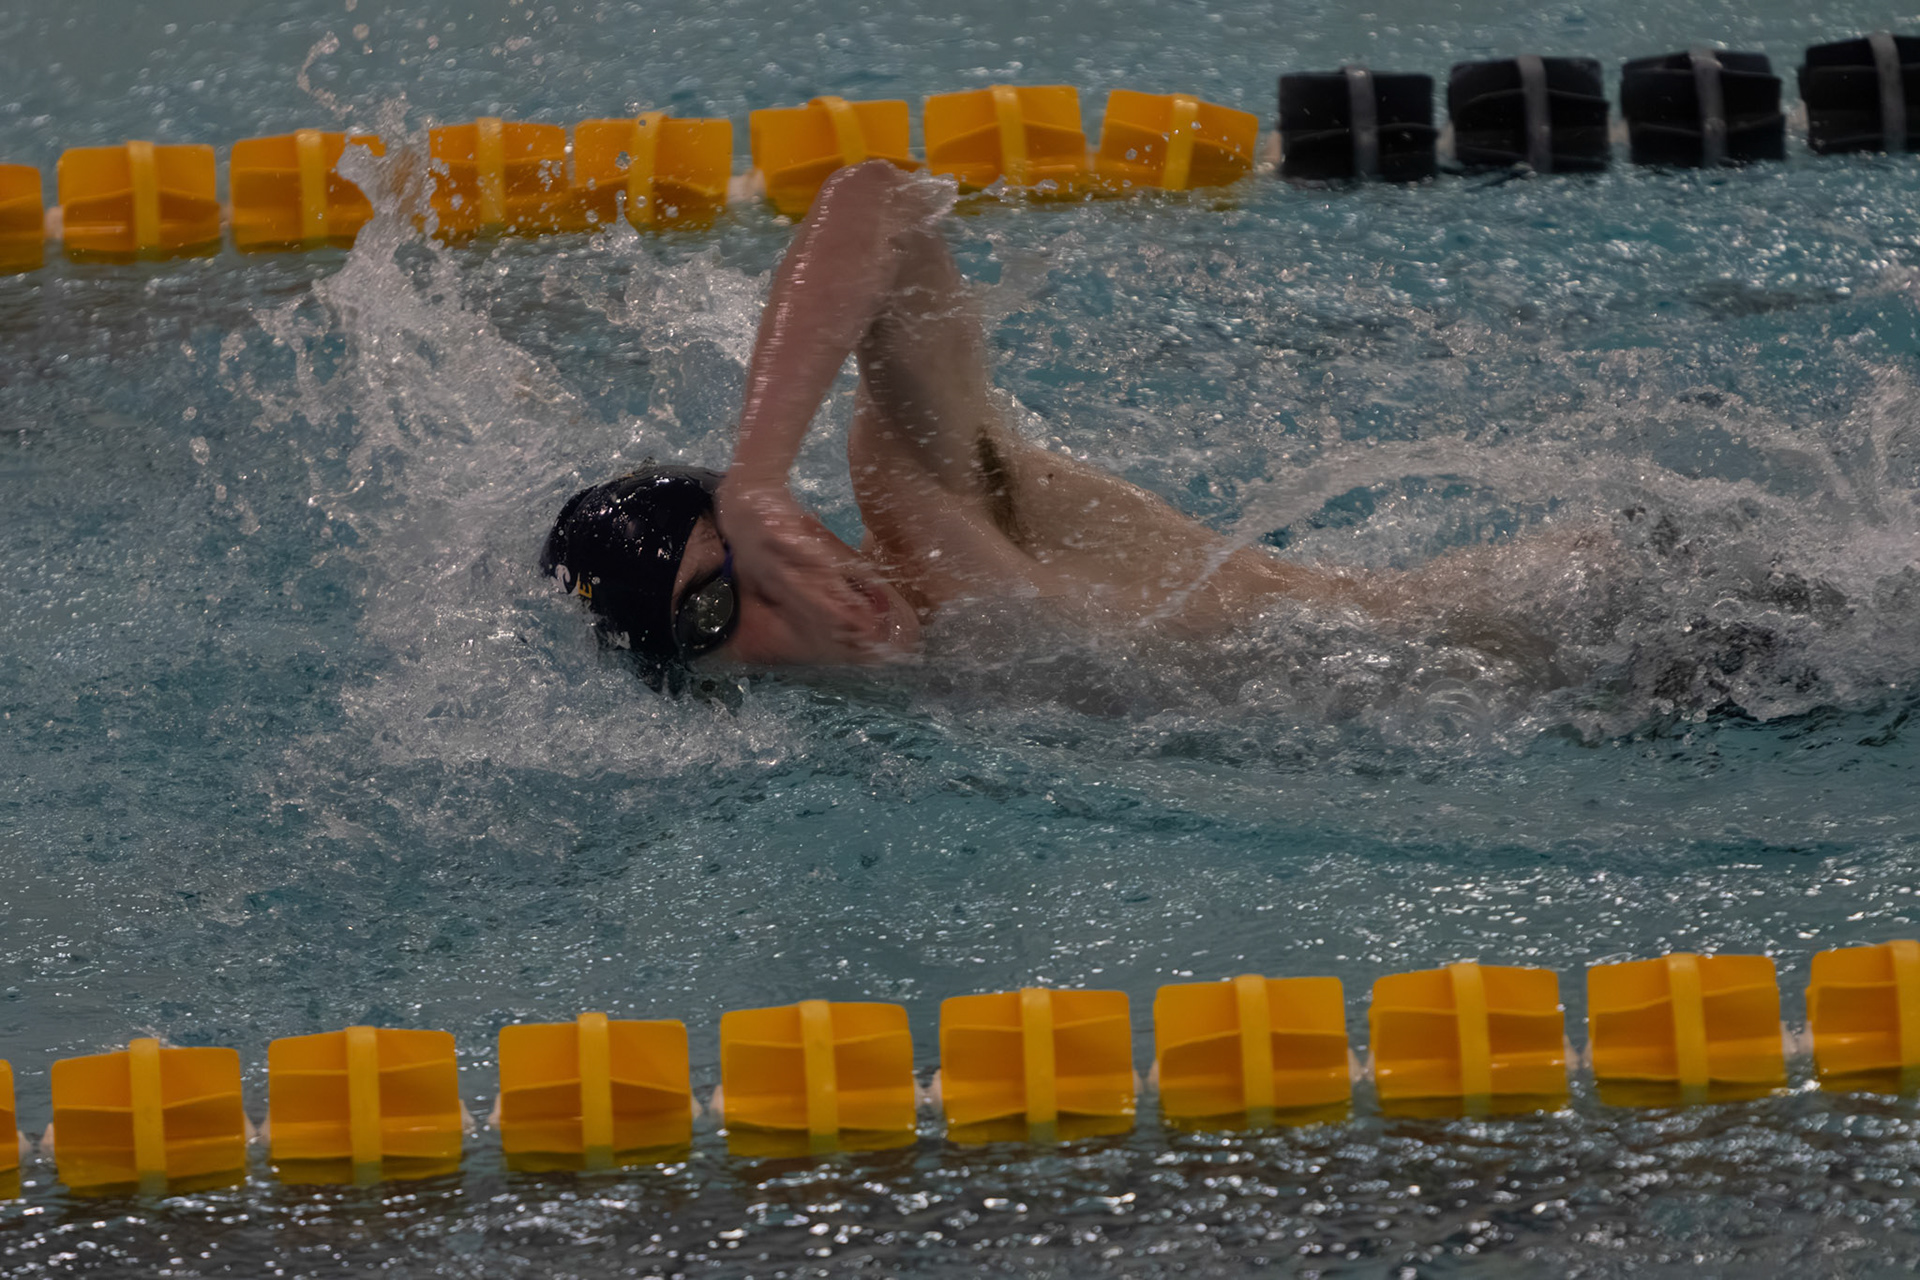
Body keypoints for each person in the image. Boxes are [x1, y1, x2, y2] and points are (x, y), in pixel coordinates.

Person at [541, 160, 1570, 685]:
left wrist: (757, 474)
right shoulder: (934, 713)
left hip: (1594, 635)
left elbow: (876, 202)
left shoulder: (928, 509)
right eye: (715, 615)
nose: (789, 588)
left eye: (757, 547)